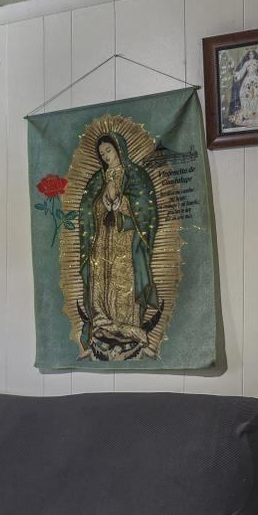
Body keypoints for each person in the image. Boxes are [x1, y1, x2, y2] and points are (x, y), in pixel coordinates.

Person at [75, 132, 161, 360]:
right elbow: (87, 211)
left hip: (125, 239)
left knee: (124, 281)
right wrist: (104, 201)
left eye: (109, 151)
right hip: (102, 239)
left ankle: (129, 329)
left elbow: (147, 212)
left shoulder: (136, 176)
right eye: (102, 154)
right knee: (102, 280)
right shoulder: (97, 180)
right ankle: (102, 325)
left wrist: (121, 203)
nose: (106, 157)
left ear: (119, 149)